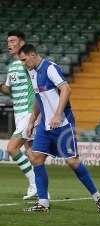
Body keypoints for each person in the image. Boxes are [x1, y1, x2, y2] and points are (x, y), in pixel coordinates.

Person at [18, 44, 100, 213]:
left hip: (63, 124)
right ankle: (43, 203)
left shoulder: (50, 68)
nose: (23, 63)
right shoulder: (31, 72)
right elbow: (39, 98)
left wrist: (58, 114)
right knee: (36, 159)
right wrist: (32, 120)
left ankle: (98, 197)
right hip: (45, 126)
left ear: (32, 55)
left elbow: (66, 88)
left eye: (24, 60)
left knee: (72, 162)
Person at [0, 31, 37, 199]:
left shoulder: (27, 64)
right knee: (30, 152)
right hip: (19, 114)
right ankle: (41, 190)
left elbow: (38, 85)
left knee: (12, 148)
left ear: (21, 43)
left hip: (29, 112)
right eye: (8, 41)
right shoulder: (12, 66)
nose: (9, 44)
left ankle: (34, 185)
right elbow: (9, 91)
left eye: (13, 41)